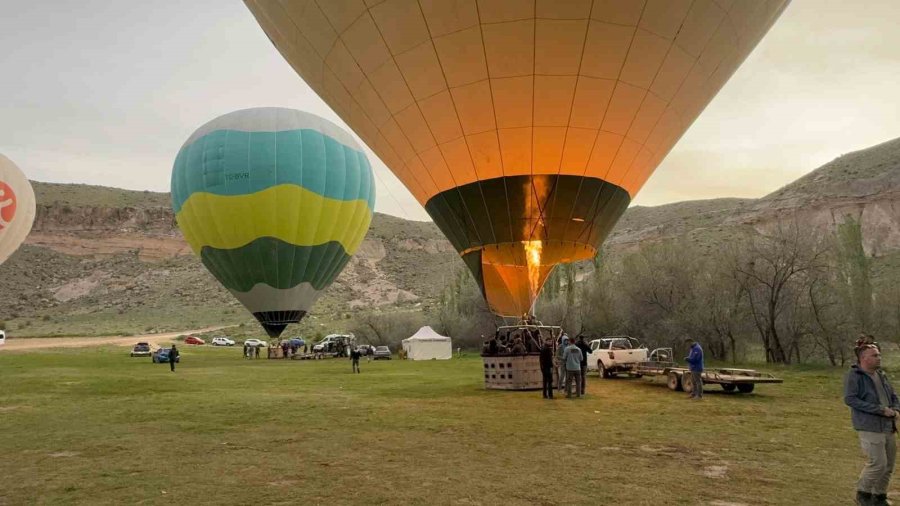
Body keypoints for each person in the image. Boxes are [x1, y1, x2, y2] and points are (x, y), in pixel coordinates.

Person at [845, 339, 900, 506]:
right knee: (878, 463)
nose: (879, 357)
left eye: (879, 354)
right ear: (864, 358)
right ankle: (863, 495)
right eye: (875, 355)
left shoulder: (881, 375)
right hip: (869, 426)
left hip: (888, 426)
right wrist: (879, 409)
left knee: (888, 465)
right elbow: (850, 399)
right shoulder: (855, 376)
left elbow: (893, 396)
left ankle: (879, 497)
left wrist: (896, 409)